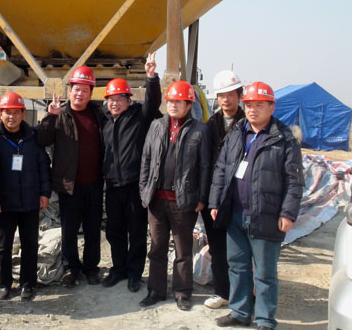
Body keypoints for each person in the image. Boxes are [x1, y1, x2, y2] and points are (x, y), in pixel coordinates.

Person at [209, 81, 303, 330]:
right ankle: (240, 312)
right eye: (249, 105)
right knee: (237, 266)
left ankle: (265, 321)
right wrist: (215, 202)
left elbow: (295, 180)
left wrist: (288, 213)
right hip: (234, 214)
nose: (252, 109)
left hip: (266, 216)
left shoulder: (284, 138)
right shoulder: (237, 132)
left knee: (264, 273)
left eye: (259, 105)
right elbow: (221, 169)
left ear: (272, 107)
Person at [139, 80, 212, 311]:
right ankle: (155, 290)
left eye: (179, 101)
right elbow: (146, 159)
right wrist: (144, 189)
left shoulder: (200, 131)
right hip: (156, 201)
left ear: (189, 105)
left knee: (182, 251)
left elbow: (205, 166)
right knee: (157, 248)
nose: (173, 105)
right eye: (170, 101)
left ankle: (182, 293)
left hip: (183, 202)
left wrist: (202, 198)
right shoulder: (156, 126)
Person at [37, 66, 104, 287]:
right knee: (69, 230)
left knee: (93, 229)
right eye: (76, 89)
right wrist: (50, 116)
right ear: (69, 91)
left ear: (91, 93)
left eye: (85, 90)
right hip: (69, 185)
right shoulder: (60, 114)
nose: (80, 94)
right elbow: (42, 140)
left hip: (94, 183)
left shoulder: (99, 115)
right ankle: (70, 269)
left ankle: (91, 268)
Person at [100, 53, 162, 293]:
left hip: (135, 185)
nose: (115, 103)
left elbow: (153, 103)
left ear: (129, 99)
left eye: (119, 99)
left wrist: (151, 77)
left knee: (136, 231)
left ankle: (135, 273)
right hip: (113, 185)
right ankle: (119, 269)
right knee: (115, 231)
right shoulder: (104, 120)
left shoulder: (140, 117)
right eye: (111, 99)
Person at [0, 92, 51, 301]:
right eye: (7, 112)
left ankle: (28, 284)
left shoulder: (33, 137)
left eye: (16, 112)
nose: (11, 117)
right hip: (4, 203)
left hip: (30, 201)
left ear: (23, 114)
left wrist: (45, 193)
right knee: (3, 246)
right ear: (0, 114)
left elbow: (43, 165)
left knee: (30, 245)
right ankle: (4, 284)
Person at [201, 70, 245, 309]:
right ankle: (223, 291)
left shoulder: (248, 125)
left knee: (241, 249)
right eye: (221, 95)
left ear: (239, 95)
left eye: (230, 94)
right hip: (215, 197)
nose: (226, 100)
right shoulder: (211, 125)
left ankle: (244, 294)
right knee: (218, 246)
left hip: (240, 196)